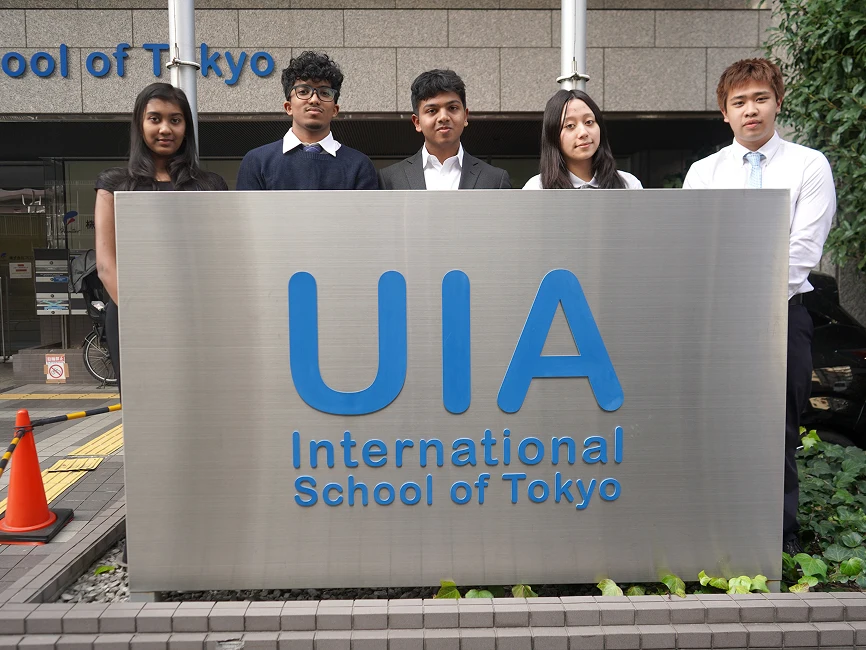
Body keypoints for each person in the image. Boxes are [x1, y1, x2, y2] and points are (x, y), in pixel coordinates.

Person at [683, 58, 836, 555]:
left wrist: (750, 301)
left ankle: (778, 538)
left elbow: (801, 254)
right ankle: (711, 531)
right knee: (712, 422)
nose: (751, 110)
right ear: (724, 113)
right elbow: (696, 249)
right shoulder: (703, 173)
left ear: (778, 101)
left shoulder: (809, 165)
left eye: (760, 99)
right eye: (739, 102)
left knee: (778, 427)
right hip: (716, 322)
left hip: (783, 316)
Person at [95, 83, 228, 392]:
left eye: (175, 119)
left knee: (202, 395)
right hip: (131, 313)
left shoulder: (209, 185)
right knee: (143, 404)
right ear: (140, 125)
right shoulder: (114, 184)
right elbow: (105, 264)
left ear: (186, 128)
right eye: (155, 118)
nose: (165, 128)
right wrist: (145, 314)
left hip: (197, 313)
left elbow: (217, 260)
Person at [236, 51, 377, 190]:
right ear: (288, 107)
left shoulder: (359, 166)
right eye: (303, 92)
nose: (314, 100)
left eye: (325, 93)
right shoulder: (257, 162)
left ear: (335, 110)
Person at [378, 69, 511, 190]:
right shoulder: (389, 179)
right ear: (417, 122)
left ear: (465, 116)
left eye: (452, 108)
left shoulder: (495, 180)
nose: (443, 117)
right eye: (432, 110)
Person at [523, 89, 642, 190]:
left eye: (589, 122)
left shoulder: (629, 185)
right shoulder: (537, 188)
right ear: (553, 135)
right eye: (570, 125)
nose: (583, 133)